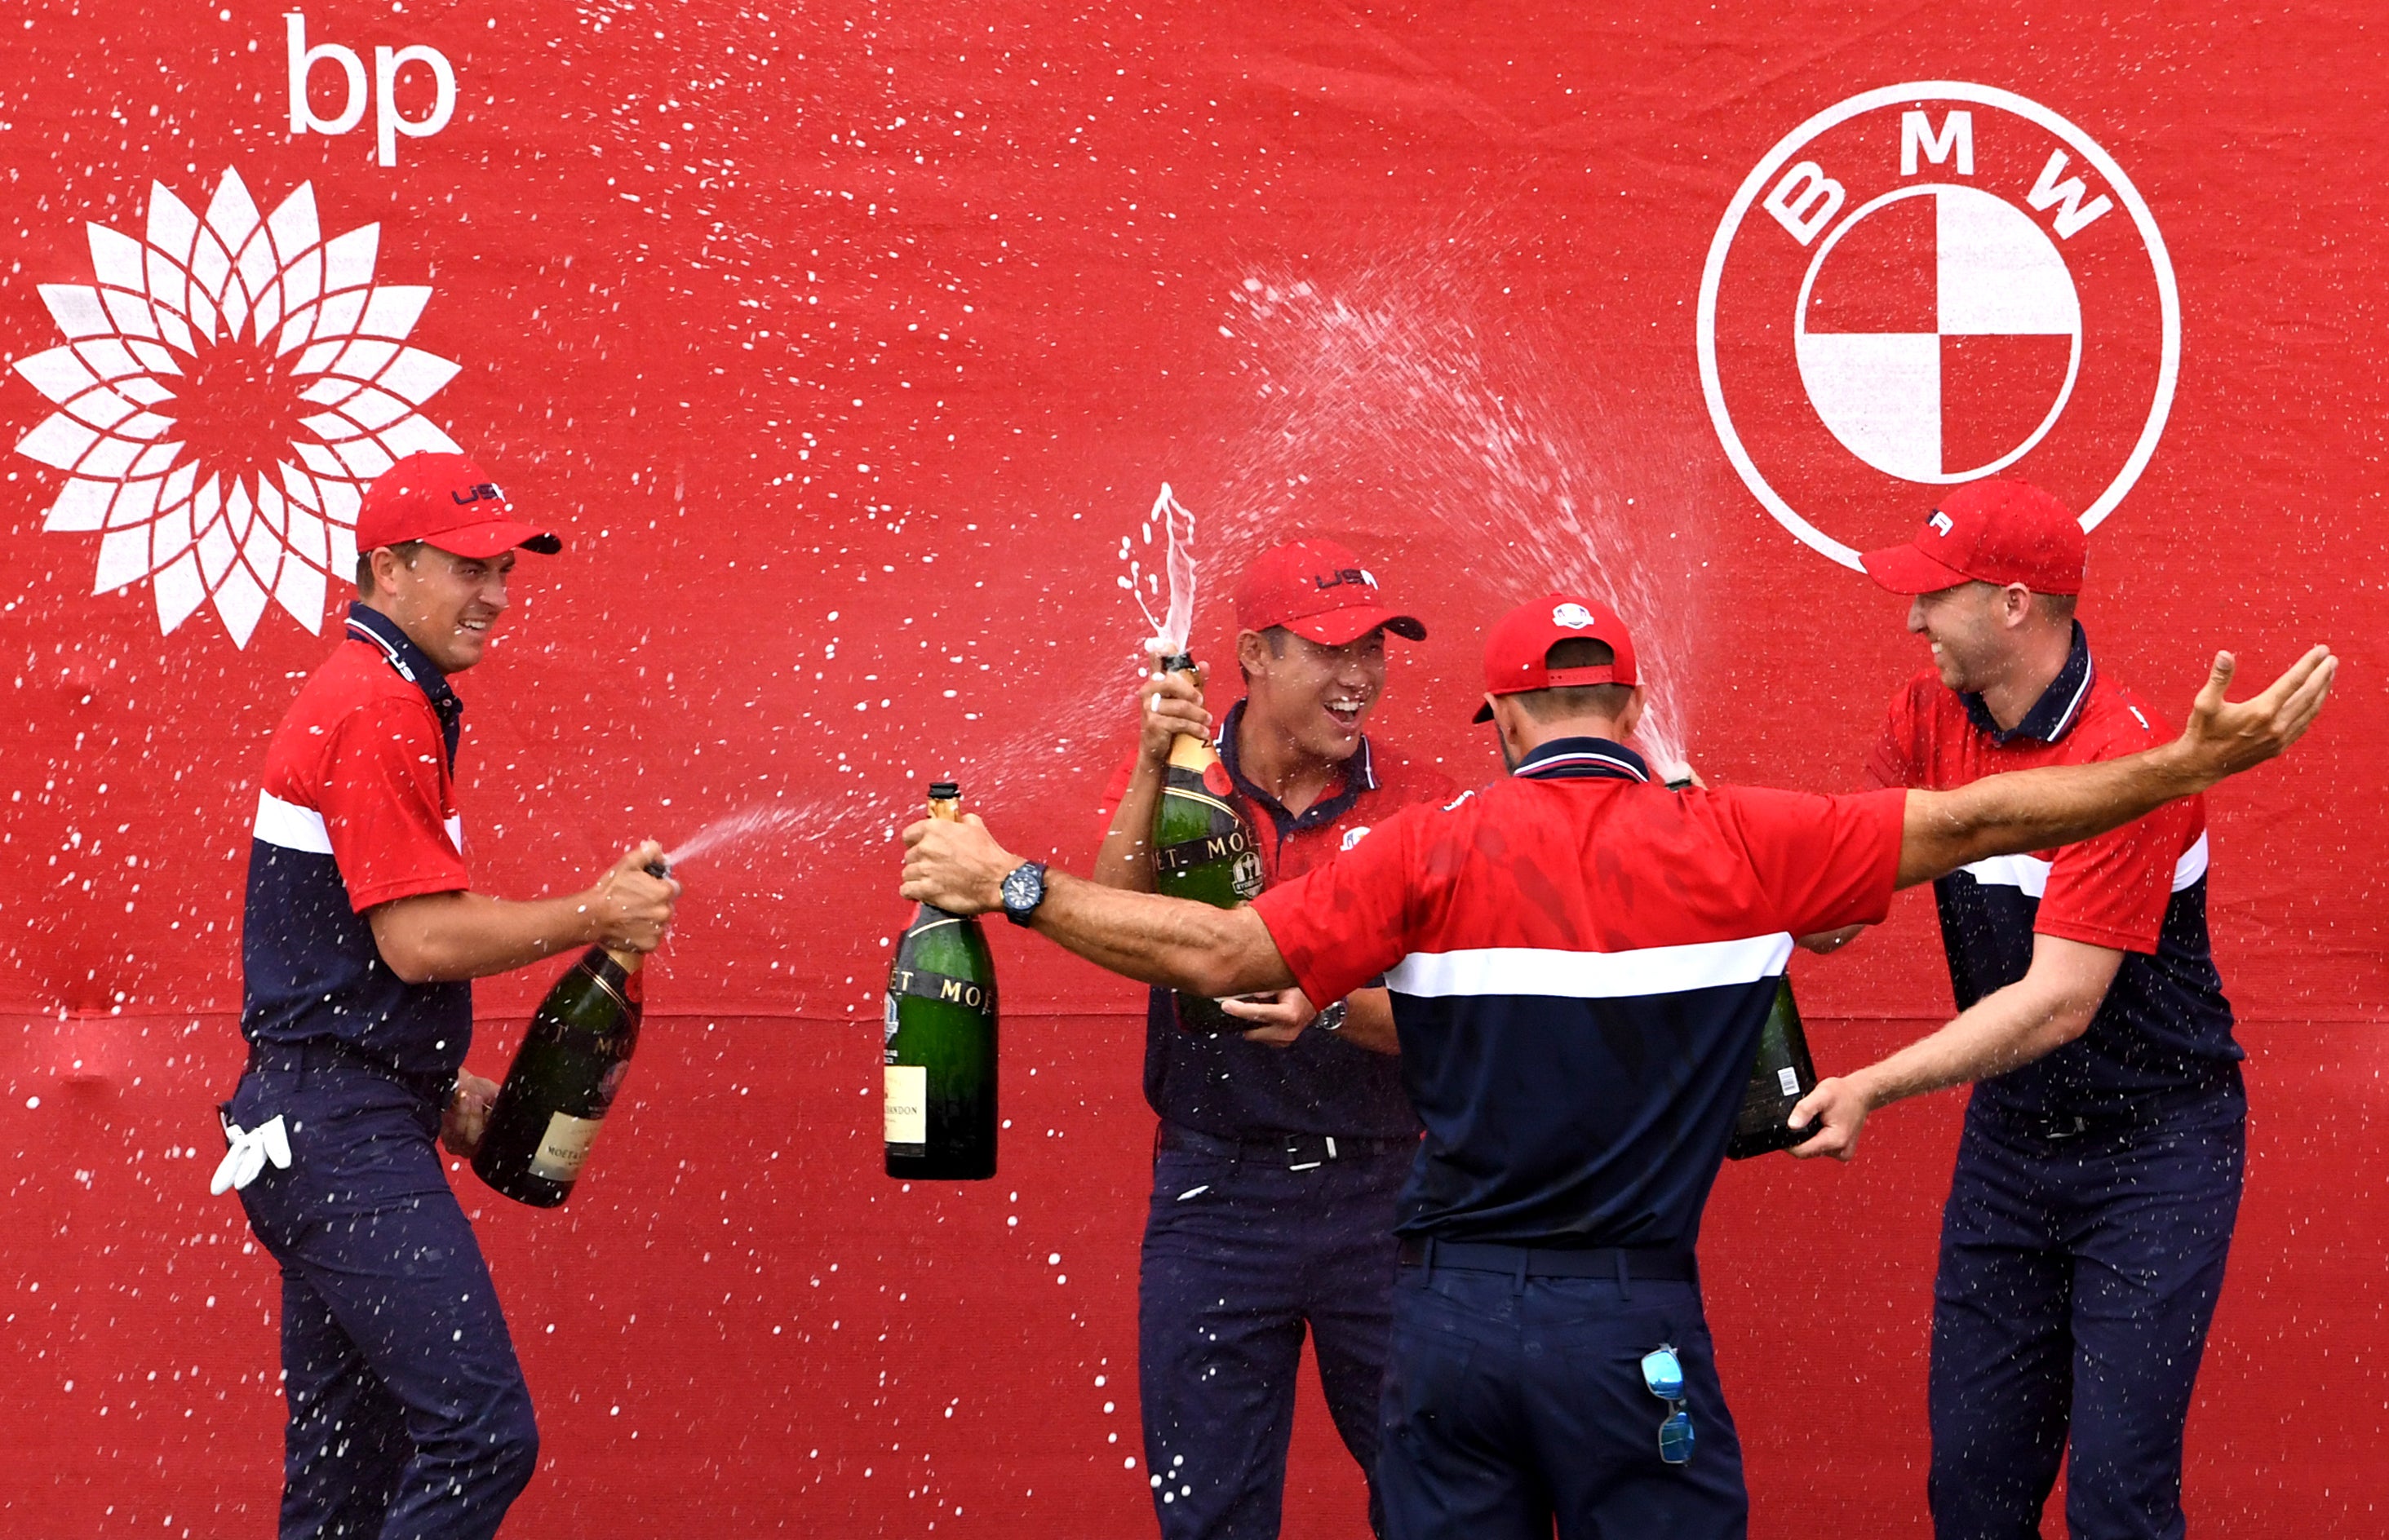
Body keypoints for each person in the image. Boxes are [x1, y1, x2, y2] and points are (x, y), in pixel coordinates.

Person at [902, 591, 2333, 1540]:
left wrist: (1009, 884)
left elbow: (1217, 959)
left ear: (1508, 721)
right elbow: (1981, 817)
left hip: (1444, 1329)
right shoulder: (1737, 846)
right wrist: (2164, 769)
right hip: (1626, 1323)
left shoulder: (1419, 845)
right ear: (1633, 710)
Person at [1787, 480, 2264, 1540]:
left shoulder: (2130, 759)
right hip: (2014, 1146)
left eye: (1933, 597)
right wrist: (1709, 849)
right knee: (1974, 1495)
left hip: (2157, 1154)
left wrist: (1869, 1084)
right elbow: (1830, 915)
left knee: (2116, 1504)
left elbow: (2057, 1007)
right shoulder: (1924, 713)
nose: (1911, 620)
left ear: (2013, 605)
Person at [217, 451, 679, 1540]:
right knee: (482, 1437)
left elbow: (352, 969)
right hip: (339, 1141)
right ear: (387, 567)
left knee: (343, 1487)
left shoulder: (383, 692)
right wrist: (596, 913)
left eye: (506, 570)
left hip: (326, 1125)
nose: (496, 595)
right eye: (470, 569)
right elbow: (419, 942)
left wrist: (425, 1086)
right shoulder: (376, 703)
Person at [1090, 538, 1452, 1538]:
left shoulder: (1426, 803)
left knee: (1443, 1506)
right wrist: (1148, 769)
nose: (1361, 676)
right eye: (1333, 649)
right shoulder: (1186, 788)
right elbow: (1114, 929)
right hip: (1217, 1201)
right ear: (1253, 653)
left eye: (1376, 648)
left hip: (1390, 1196)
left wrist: (1327, 1000)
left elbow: (1463, 1016)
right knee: (1209, 1517)